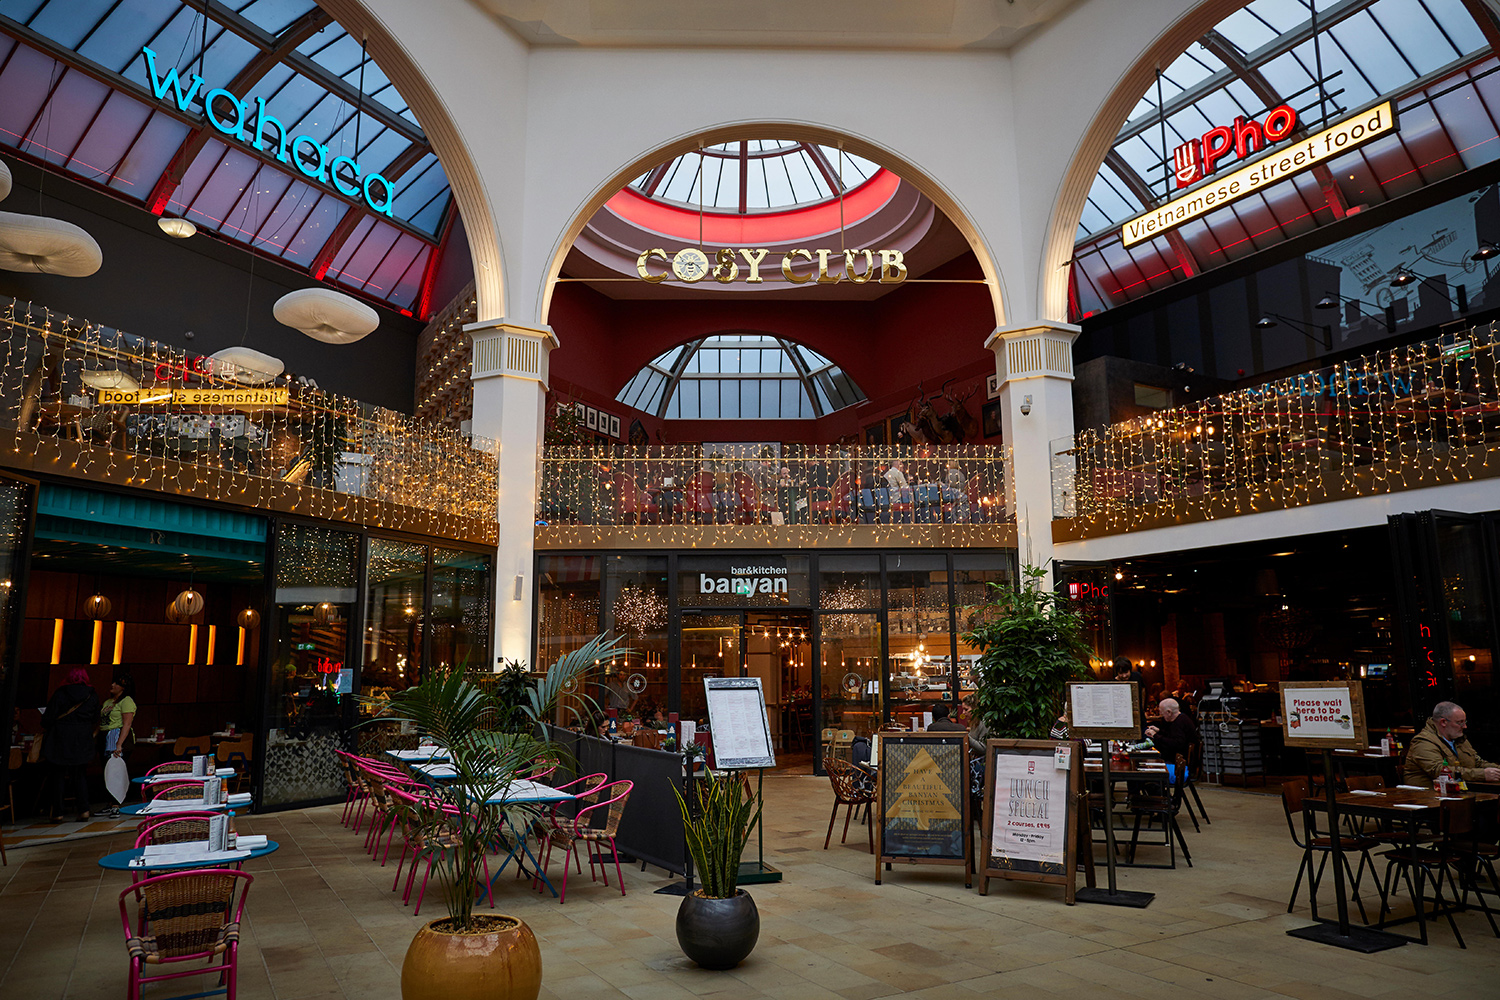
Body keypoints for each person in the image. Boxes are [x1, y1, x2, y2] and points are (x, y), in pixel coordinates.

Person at [42, 668, 99, 821]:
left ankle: (58, 813)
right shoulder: (91, 695)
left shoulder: (60, 693)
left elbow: (48, 718)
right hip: (82, 738)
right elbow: (95, 718)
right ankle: (84, 810)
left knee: (58, 776)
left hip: (60, 738)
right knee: (80, 775)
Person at [1403, 701, 1500, 788]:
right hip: (1428, 797)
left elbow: (1477, 763)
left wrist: (1496, 770)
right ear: (1443, 722)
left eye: (1464, 722)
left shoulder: (1458, 738)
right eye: (1460, 722)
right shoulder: (1423, 742)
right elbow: (1439, 771)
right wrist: (1482, 775)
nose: (1465, 726)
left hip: (1457, 792)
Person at [1144, 697, 1198, 766]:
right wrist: (1158, 731)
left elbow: (1176, 744)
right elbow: (1171, 735)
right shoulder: (1181, 718)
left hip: (1177, 763)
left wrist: (1155, 735)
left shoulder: (1180, 722)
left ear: (1169, 712)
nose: (1162, 716)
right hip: (1176, 759)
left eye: (1162, 713)